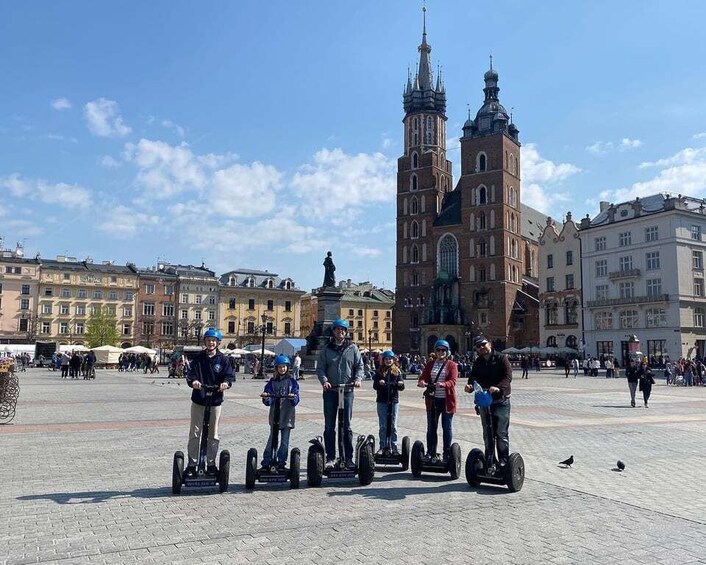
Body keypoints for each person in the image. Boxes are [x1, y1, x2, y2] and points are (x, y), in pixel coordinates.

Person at [184, 328, 234, 477]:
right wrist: (194, 381)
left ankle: (211, 463)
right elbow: (190, 374)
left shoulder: (223, 360)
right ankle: (192, 464)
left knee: (213, 433)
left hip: (215, 400)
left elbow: (229, 376)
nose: (211, 342)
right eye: (208, 340)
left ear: (217, 343)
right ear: (205, 341)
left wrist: (225, 383)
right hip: (199, 398)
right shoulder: (198, 358)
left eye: (213, 340)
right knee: (195, 432)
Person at [316, 319, 364, 469]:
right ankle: (330, 458)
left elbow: (360, 366)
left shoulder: (353, 349)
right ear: (333, 331)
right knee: (329, 425)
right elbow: (321, 368)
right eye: (337, 330)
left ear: (346, 332)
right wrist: (324, 381)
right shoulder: (326, 350)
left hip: (347, 391)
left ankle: (348, 458)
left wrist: (357, 379)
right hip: (331, 391)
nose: (340, 332)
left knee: (346, 426)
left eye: (342, 330)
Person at [465, 335, 513, 470]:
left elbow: (508, 376)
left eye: (483, 344)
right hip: (485, 403)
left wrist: (499, 387)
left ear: (490, 344)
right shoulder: (478, 362)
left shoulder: (501, 358)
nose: (481, 348)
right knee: (488, 433)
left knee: (501, 433)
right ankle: (489, 460)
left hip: (500, 400)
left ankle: (503, 461)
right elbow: (473, 378)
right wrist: (469, 386)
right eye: (478, 346)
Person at [417, 339, 458, 463]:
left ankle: (446, 453)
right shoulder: (430, 364)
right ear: (435, 351)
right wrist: (422, 382)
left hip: (446, 401)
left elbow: (453, 381)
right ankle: (431, 452)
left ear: (447, 351)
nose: (441, 352)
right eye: (438, 350)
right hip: (432, 401)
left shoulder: (452, 365)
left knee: (446, 428)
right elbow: (423, 377)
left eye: (443, 350)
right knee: (431, 428)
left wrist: (443, 384)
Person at [260, 355, 300, 469]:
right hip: (275, 415)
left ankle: (281, 461)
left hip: (287, 416)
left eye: (284, 367)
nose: (282, 369)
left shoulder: (292, 382)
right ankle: (267, 460)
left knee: (284, 441)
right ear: (276, 368)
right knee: (272, 438)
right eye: (280, 367)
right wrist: (266, 397)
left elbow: (296, 395)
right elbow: (268, 396)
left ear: (287, 368)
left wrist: (294, 397)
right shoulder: (272, 382)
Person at [372, 350, 405, 455]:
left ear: (393, 360)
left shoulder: (397, 371)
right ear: (383, 360)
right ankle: (382, 446)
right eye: (386, 359)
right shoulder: (379, 372)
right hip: (382, 401)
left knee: (393, 425)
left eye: (390, 359)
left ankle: (394, 447)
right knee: (383, 425)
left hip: (394, 401)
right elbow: (375, 386)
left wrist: (400, 383)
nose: (388, 361)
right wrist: (379, 382)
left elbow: (402, 387)